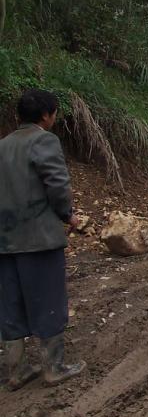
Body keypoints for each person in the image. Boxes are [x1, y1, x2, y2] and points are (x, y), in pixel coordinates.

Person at [0, 89, 86, 389]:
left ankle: (17, 370)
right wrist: (67, 215)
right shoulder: (44, 141)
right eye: (54, 113)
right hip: (38, 238)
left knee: (10, 304)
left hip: (4, 240)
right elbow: (57, 185)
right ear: (47, 115)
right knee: (48, 299)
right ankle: (54, 367)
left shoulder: (3, 145)